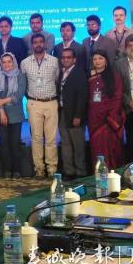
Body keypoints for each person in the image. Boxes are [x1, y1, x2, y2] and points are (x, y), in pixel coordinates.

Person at [20, 33, 60, 178]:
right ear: (32, 45)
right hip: (33, 103)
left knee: (51, 139)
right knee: (36, 138)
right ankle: (39, 170)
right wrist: (31, 99)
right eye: (35, 42)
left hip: (51, 102)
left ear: (45, 44)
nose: (38, 44)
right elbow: (23, 84)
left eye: (40, 42)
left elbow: (58, 81)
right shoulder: (24, 63)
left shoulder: (55, 61)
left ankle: (52, 169)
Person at [87, 50, 125, 169]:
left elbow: (118, 97)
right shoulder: (89, 77)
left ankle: (113, 172)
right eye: (95, 59)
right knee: (96, 148)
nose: (97, 61)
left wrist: (109, 115)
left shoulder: (114, 76)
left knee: (111, 148)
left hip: (109, 119)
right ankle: (99, 172)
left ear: (106, 61)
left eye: (100, 58)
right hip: (94, 119)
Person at [0, 53, 26, 180]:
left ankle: (16, 170)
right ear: (1, 63)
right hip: (0, 115)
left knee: (15, 144)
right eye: (4, 62)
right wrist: (1, 112)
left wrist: (3, 101)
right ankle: (7, 170)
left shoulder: (20, 76)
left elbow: (19, 95)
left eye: (9, 61)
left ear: (14, 62)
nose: (6, 64)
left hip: (16, 115)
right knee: (4, 143)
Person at [57, 48, 88, 180]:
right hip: (63, 112)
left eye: (68, 57)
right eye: (63, 57)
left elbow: (83, 96)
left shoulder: (79, 73)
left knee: (78, 145)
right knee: (66, 144)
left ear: (74, 59)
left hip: (75, 115)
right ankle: (69, 171)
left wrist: (78, 116)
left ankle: (81, 172)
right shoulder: (61, 73)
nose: (65, 59)